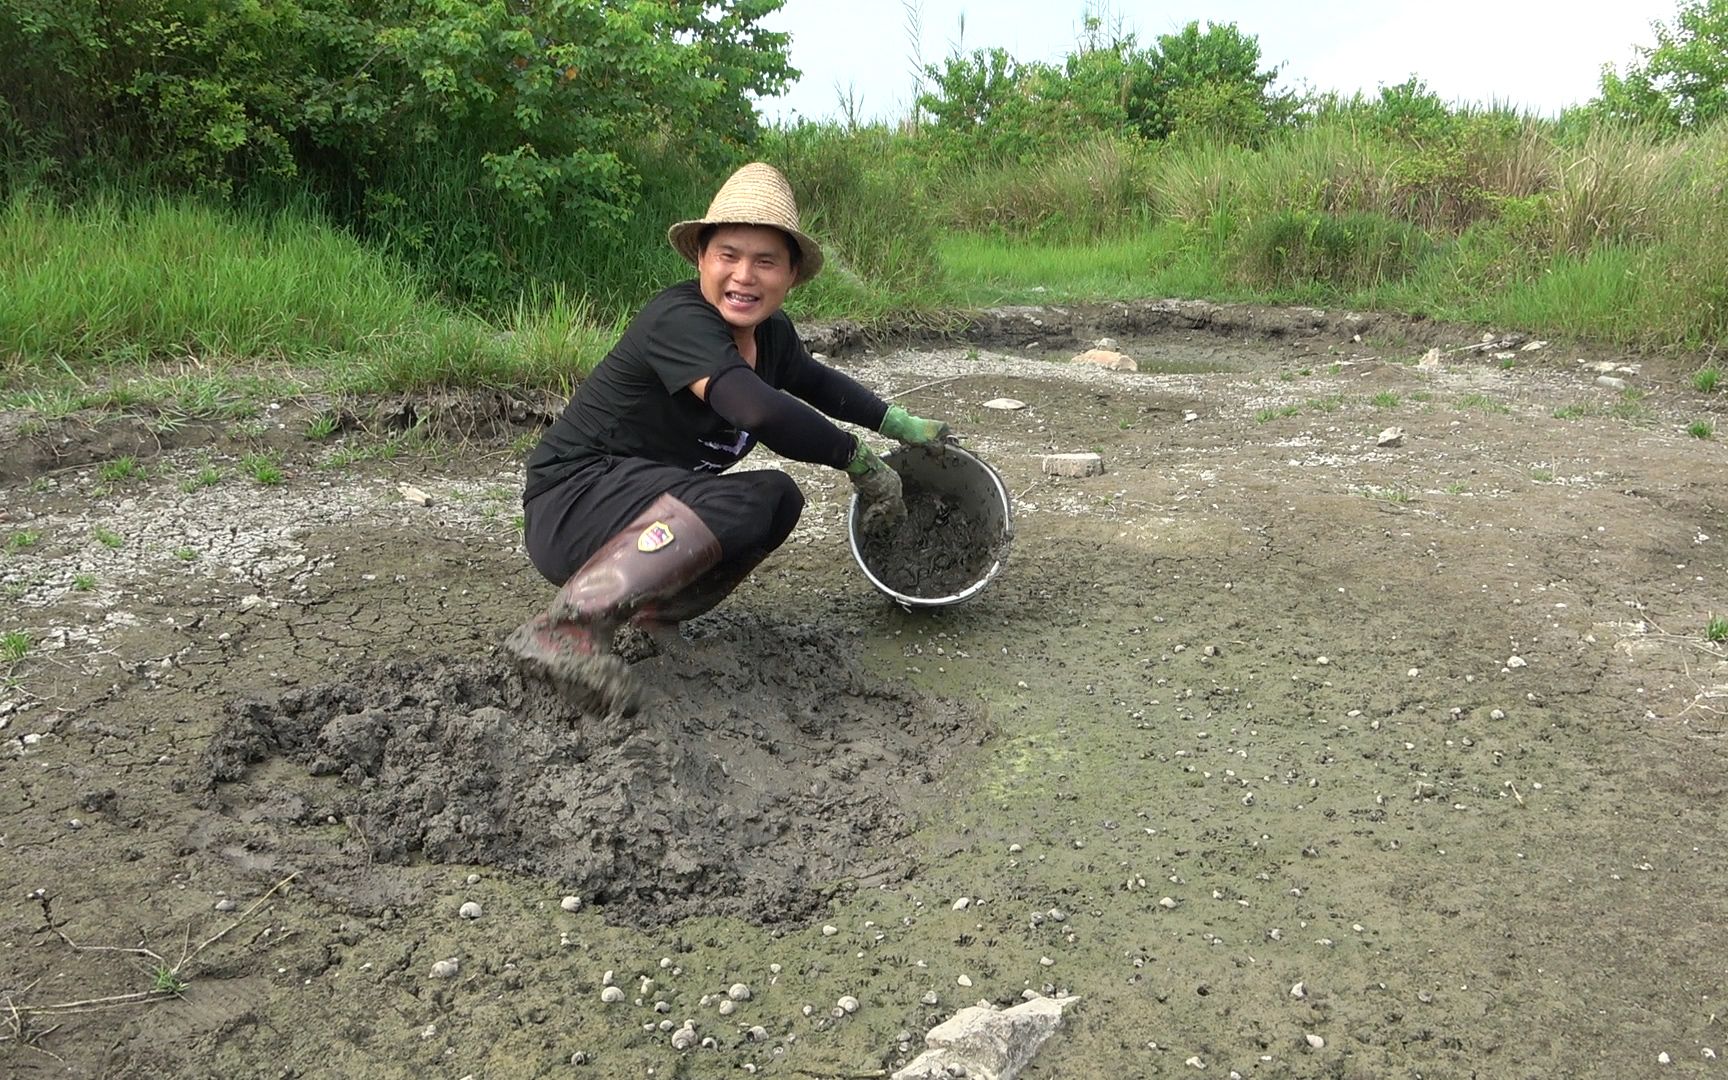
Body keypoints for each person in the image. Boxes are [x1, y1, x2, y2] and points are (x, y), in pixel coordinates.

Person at [509, 162, 952, 714]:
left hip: (644, 512)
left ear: (792, 276)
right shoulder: (678, 320)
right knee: (734, 502)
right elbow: (755, 408)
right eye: (728, 256)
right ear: (701, 259)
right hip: (572, 503)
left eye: (766, 261)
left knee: (777, 499)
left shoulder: (772, 335)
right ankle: (567, 630)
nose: (744, 275)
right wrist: (856, 460)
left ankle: (652, 614)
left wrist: (900, 426)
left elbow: (818, 383)